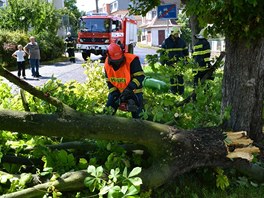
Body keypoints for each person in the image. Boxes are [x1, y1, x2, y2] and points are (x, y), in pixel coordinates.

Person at [104, 43, 145, 119]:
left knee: (139, 116)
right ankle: (104, 125)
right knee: (107, 112)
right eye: (115, 61)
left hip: (134, 91)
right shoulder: (107, 63)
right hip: (117, 91)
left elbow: (140, 76)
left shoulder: (132, 60)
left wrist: (129, 89)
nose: (118, 63)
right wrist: (114, 92)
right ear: (108, 56)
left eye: (119, 60)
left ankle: (140, 126)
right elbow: (108, 80)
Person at [161, 26, 189, 95]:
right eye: (176, 34)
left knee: (180, 79)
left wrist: (187, 61)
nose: (177, 35)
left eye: (178, 34)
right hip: (170, 63)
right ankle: (173, 92)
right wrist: (163, 62)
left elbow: (186, 53)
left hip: (180, 63)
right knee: (172, 79)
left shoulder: (182, 42)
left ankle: (181, 92)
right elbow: (162, 53)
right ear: (172, 33)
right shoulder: (166, 42)